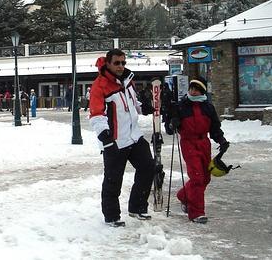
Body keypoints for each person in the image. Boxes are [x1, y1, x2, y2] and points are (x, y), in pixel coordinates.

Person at [89, 48, 156, 227]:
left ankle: (137, 207)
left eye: (123, 62)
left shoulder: (128, 80)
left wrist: (145, 108)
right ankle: (111, 216)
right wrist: (105, 136)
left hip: (134, 137)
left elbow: (134, 103)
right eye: (117, 63)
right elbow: (96, 114)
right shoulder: (100, 85)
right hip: (115, 140)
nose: (121, 66)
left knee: (148, 168)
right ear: (108, 63)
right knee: (113, 179)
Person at [164, 77, 230, 224]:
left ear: (202, 91)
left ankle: (184, 195)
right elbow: (169, 129)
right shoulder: (181, 106)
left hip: (204, 143)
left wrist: (222, 140)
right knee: (197, 177)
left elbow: (215, 128)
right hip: (188, 143)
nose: (193, 91)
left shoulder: (208, 107)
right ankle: (196, 213)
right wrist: (171, 124)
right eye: (191, 88)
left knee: (205, 178)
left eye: (196, 89)